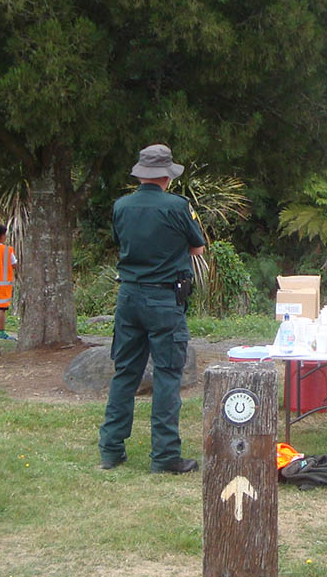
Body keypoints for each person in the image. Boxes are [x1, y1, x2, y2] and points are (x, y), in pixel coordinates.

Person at [98, 144, 206, 474]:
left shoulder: (121, 206)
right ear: (167, 176)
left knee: (125, 373)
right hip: (164, 298)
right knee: (167, 375)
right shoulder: (178, 206)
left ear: (141, 174)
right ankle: (165, 454)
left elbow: (122, 242)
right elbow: (198, 248)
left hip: (129, 296)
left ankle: (111, 450)